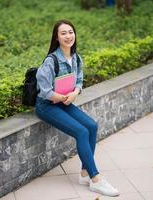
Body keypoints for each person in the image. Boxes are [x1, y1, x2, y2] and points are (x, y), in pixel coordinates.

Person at [35, 19, 119, 197]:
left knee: (92, 126)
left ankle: (84, 173)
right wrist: (62, 97)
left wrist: (75, 92)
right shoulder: (51, 61)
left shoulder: (76, 58)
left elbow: (79, 80)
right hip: (47, 105)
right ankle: (95, 179)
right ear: (56, 38)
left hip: (65, 101)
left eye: (70, 32)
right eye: (63, 33)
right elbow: (44, 91)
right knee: (81, 132)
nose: (68, 36)